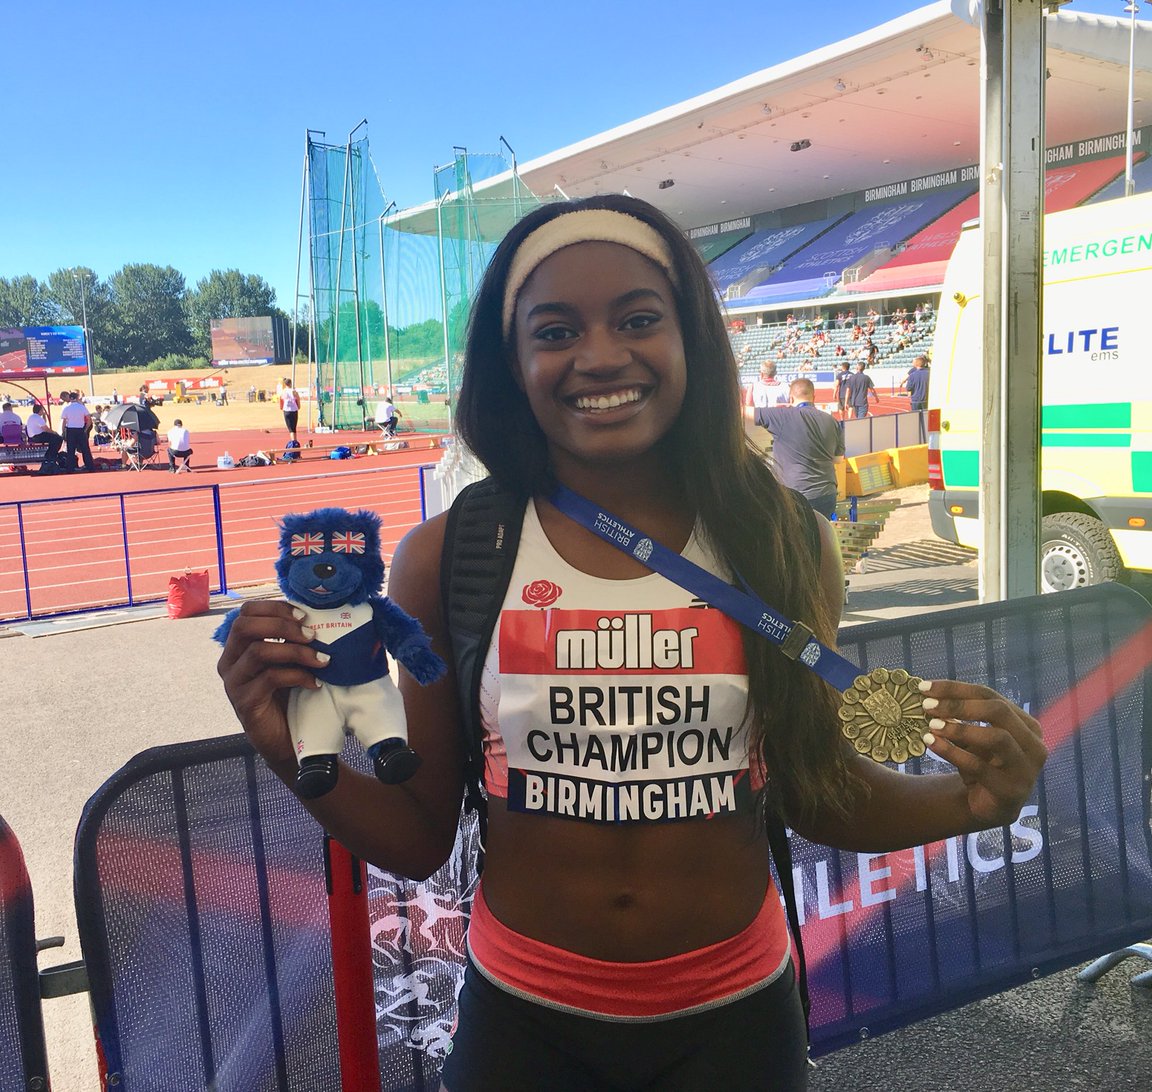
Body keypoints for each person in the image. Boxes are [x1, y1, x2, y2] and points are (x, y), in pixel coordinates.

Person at [217, 195, 1045, 1091]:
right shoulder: (448, 556)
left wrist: (969, 803)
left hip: (733, 1025)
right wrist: (285, 738)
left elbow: (816, 791)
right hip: (525, 1026)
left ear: (690, 337)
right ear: (515, 363)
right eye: (557, 330)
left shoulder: (783, 540)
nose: (600, 356)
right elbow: (420, 839)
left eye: (639, 320)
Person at [746, 378, 844, 519]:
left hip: (796, 494)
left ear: (790, 397)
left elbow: (745, 412)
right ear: (813, 397)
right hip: (827, 494)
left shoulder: (782, 416)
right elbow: (838, 459)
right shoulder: (832, 421)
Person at [58, 391, 95, 471]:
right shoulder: (82, 407)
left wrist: (63, 431)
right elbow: (89, 420)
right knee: (85, 449)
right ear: (77, 398)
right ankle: (90, 467)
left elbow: (64, 421)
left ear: (70, 398)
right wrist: (85, 429)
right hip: (80, 429)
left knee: (70, 450)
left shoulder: (67, 408)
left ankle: (70, 468)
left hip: (70, 430)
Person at [24, 403, 63, 474]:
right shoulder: (37, 418)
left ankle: (51, 454)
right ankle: (51, 455)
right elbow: (45, 428)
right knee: (58, 438)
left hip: (34, 436)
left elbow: (43, 423)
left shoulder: (32, 417)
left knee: (54, 439)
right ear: (40, 410)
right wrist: (54, 432)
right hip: (38, 436)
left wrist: (44, 415)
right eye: (42, 410)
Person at [279, 379, 300, 444]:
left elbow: (281, 400)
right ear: (290, 383)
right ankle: (294, 442)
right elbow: (298, 398)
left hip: (287, 410)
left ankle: (294, 442)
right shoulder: (293, 391)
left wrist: (281, 407)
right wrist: (298, 406)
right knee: (294, 428)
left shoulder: (283, 391)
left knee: (291, 430)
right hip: (294, 410)